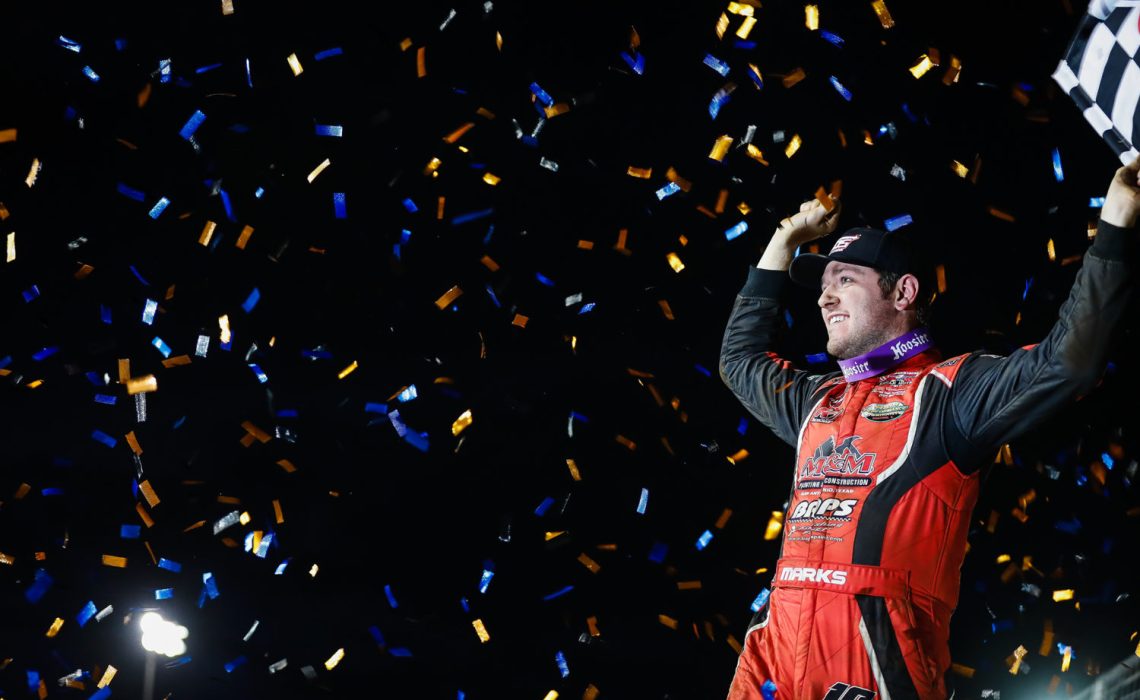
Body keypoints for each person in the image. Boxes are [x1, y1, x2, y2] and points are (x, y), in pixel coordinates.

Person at [718, 158, 1139, 700]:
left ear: (904, 292)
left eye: (843, 280)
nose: (824, 298)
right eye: (823, 285)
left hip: (873, 664)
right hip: (771, 660)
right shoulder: (816, 402)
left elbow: (1068, 362)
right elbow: (738, 359)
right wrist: (784, 240)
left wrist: (1117, 224)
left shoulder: (950, 393)